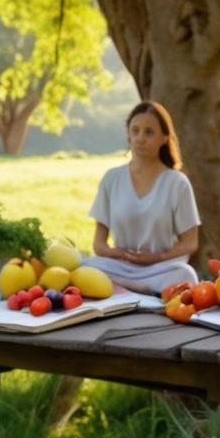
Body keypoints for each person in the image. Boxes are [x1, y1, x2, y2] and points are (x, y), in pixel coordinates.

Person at [84, 101, 200, 295]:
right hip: (121, 266)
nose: (140, 138)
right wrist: (119, 254)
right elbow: (99, 244)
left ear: (164, 137)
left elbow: (190, 243)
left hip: (161, 268)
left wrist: (157, 257)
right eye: (135, 131)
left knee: (185, 274)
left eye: (149, 132)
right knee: (83, 265)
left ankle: (124, 291)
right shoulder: (111, 178)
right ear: (128, 134)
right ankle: (140, 290)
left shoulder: (177, 183)